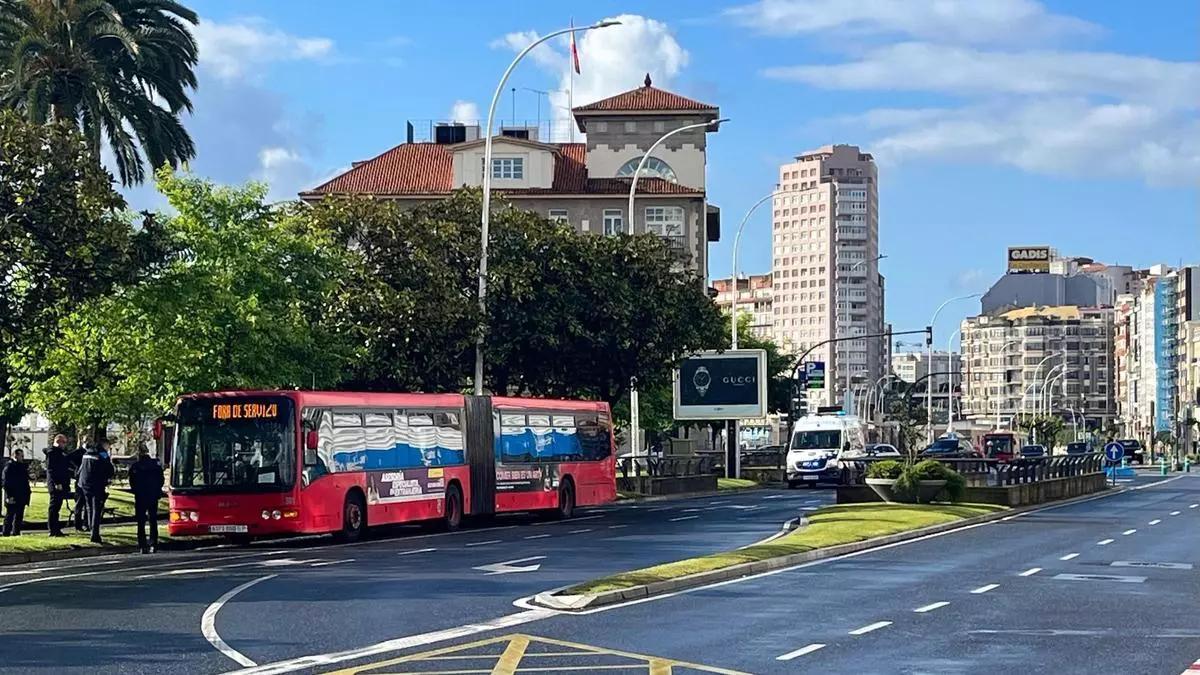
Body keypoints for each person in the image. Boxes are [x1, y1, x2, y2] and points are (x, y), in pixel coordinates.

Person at [76, 440, 114, 544]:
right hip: (97, 484)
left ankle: (91, 529)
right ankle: (95, 534)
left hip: (84, 484)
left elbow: (81, 469)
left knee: (89, 508)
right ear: (104, 445)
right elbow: (110, 469)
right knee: (96, 509)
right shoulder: (102, 454)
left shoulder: (86, 453)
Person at [128, 449, 164, 554]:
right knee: (153, 520)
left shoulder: (136, 467)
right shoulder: (155, 466)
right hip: (153, 495)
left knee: (141, 522)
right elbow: (161, 480)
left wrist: (136, 491)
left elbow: (132, 482)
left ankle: (142, 545)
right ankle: (153, 544)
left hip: (140, 496)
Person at [43, 434, 73, 537]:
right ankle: (52, 529)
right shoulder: (52, 453)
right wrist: (57, 483)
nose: (65, 445)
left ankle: (56, 529)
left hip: (62, 483)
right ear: (58, 441)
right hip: (56, 484)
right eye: (63, 442)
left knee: (57, 507)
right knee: (54, 507)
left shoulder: (60, 453)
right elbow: (51, 469)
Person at [2, 449, 31, 536]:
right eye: (21, 456)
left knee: (19, 515)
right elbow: (6, 482)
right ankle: (6, 533)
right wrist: (9, 495)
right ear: (15, 455)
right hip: (13, 494)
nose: (22, 458)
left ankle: (16, 532)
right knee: (10, 515)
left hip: (21, 494)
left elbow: (25, 480)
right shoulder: (9, 467)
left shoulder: (22, 467)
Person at [69, 442, 86, 532]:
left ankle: (86, 523)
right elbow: (68, 459)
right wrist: (76, 469)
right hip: (80, 481)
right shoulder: (79, 452)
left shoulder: (89, 452)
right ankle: (78, 524)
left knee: (87, 505)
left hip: (86, 481)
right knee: (79, 504)